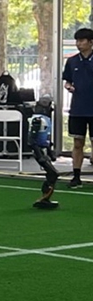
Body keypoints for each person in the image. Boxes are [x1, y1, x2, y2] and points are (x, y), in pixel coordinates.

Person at [65, 28, 93, 188]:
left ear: (91, 42)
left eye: (82, 41)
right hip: (78, 109)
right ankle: (76, 176)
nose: (79, 44)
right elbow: (67, 80)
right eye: (77, 41)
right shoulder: (72, 61)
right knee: (77, 142)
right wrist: (68, 86)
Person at [28, 96, 58, 210]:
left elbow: (45, 139)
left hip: (42, 150)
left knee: (52, 174)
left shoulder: (42, 120)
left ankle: (45, 197)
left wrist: (50, 152)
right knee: (53, 174)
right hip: (39, 151)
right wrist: (40, 155)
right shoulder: (38, 120)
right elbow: (31, 141)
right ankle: (44, 198)